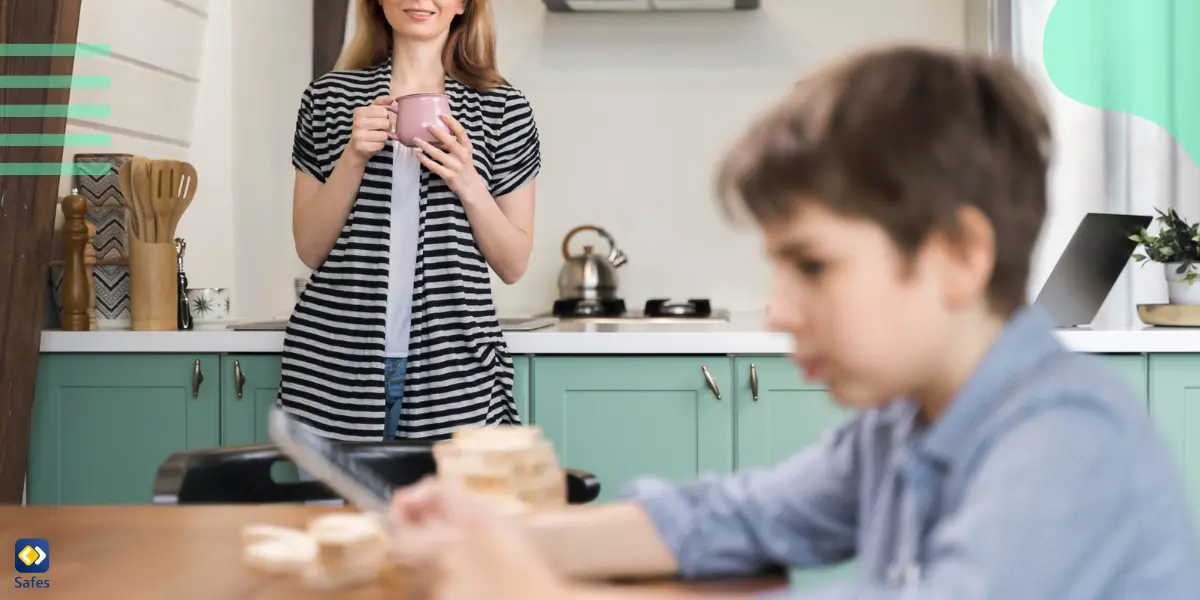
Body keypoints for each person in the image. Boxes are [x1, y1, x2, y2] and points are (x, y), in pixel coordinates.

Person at [386, 46, 1200, 598]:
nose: (777, 310)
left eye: (812, 265)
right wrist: (503, 534)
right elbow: (735, 517)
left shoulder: (1065, 445)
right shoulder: (900, 426)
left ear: (957, 254)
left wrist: (523, 587)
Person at [279, 0, 540, 443]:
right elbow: (309, 246)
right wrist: (353, 157)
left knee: (444, 511)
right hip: (331, 367)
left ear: (463, 4)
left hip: (456, 370)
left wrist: (468, 182)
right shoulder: (328, 99)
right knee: (339, 513)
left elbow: (513, 264)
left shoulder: (504, 109)